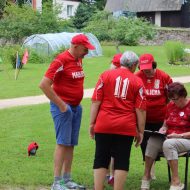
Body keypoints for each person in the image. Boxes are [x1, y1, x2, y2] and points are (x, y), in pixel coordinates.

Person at [39, 34, 95, 190]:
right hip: (63, 108)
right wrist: (62, 106)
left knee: (70, 144)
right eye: (85, 49)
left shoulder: (78, 59)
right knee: (62, 143)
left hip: (76, 108)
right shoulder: (60, 60)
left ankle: (67, 179)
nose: (87, 52)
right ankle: (56, 183)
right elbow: (44, 85)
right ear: (76, 46)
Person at [89, 51, 146, 190]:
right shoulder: (138, 81)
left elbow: (96, 101)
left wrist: (92, 123)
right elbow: (140, 109)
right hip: (126, 126)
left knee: (101, 157)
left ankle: (98, 188)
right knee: (122, 159)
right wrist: (140, 131)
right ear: (133, 65)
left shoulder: (105, 75)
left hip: (104, 123)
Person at [141, 82, 190, 190]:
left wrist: (179, 135)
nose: (172, 101)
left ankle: (176, 181)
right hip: (171, 138)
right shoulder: (170, 106)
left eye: (175, 99)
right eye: (171, 99)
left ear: (183, 96)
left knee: (169, 144)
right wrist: (163, 129)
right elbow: (166, 123)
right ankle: (146, 176)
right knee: (153, 140)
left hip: (186, 139)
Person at [136, 53, 173, 179]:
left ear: (153, 64)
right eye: (143, 68)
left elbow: (171, 96)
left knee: (162, 144)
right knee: (145, 144)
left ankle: (172, 174)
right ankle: (149, 172)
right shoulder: (137, 77)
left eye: (148, 67)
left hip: (160, 119)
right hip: (143, 119)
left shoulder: (164, 76)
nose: (146, 70)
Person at [107, 53, 122, 186]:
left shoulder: (106, 76)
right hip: (119, 119)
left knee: (108, 148)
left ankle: (109, 174)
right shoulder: (127, 78)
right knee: (115, 149)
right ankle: (111, 175)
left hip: (107, 118)